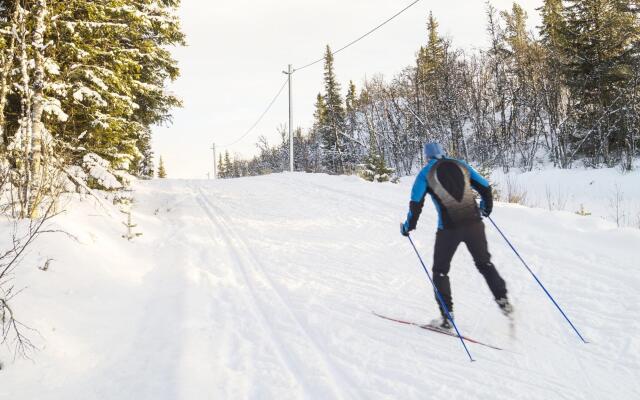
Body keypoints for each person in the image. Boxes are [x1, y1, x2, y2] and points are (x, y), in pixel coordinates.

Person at [401, 142, 513, 330]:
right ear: (443, 153)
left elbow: (415, 204)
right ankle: (503, 301)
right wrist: (486, 209)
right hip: (474, 224)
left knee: (441, 271)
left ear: (426, 157)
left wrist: (408, 227)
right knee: (485, 264)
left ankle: (447, 318)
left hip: (449, 230)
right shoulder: (461, 164)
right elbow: (485, 187)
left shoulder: (425, 174)